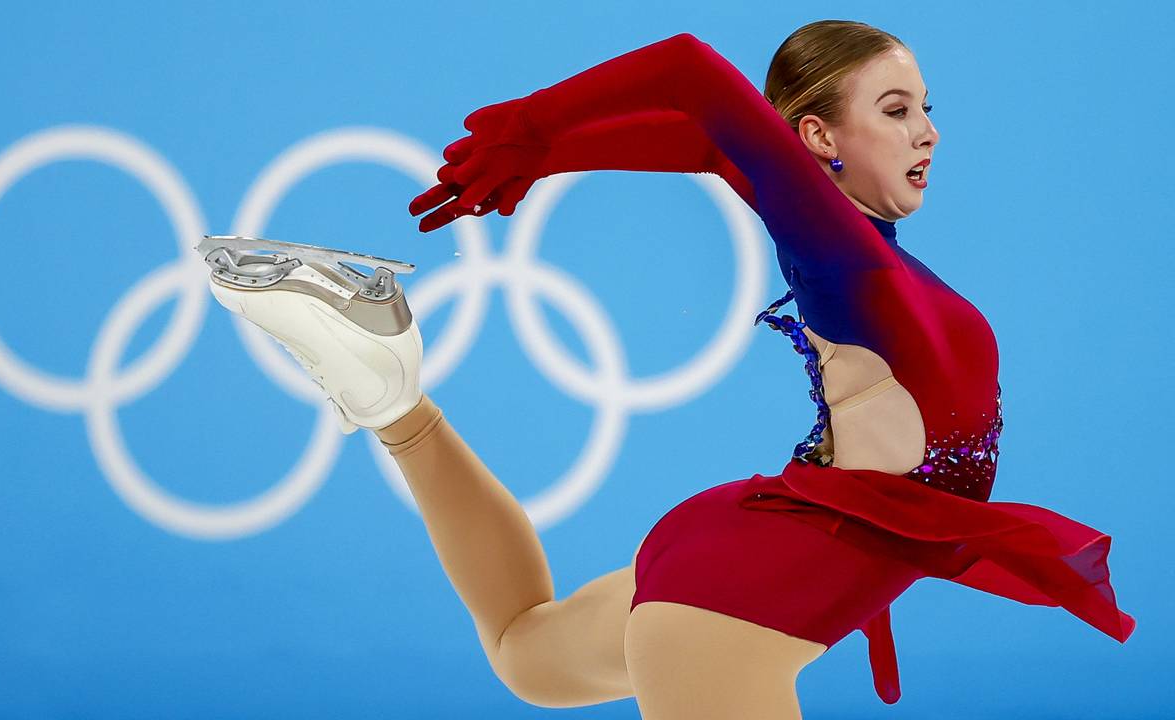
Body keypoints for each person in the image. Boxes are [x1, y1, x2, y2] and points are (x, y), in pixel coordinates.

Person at [209, 21, 1135, 720]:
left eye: (929, 109)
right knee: (530, 653)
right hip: (741, 595)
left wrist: (551, 150)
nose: (927, 131)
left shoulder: (865, 253)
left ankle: (393, 397)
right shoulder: (843, 257)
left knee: (528, 652)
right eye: (897, 111)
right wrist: (535, 125)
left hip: (738, 547)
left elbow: (706, 142)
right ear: (819, 138)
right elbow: (692, 70)